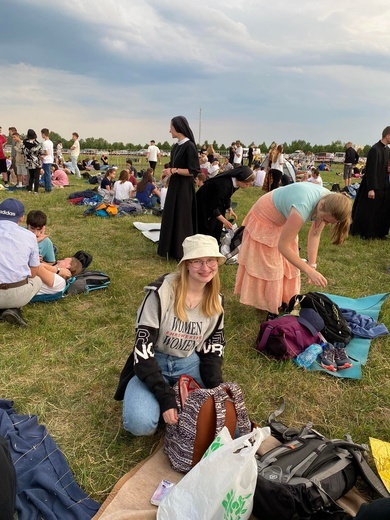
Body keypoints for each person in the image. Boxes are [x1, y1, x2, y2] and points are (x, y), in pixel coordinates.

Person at [114, 234, 226, 436]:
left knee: (218, 416)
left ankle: (176, 400)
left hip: (189, 363)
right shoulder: (160, 293)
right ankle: (163, 397)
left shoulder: (216, 301)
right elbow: (142, 350)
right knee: (140, 425)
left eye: (211, 260)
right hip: (153, 362)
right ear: (186, 265)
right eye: (197, 261)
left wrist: (215, 385)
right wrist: (165, 397)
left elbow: (212, 351)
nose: (205, 267)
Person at [234, 183, 352, 319]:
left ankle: (284, 300)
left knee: (289, 265)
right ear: (321, 205)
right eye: (325, 219)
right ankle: (270, 307)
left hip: (284, 218)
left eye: (330, 222)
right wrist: (308, 271)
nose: (324, 223)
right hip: (266, 216)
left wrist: (312, 265)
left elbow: (315, 235)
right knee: (272, 267)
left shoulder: (329, 202)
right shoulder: (302, 207)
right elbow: (283, 246)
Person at [157, 115, 200, 261]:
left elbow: (192, 170)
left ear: (178, 127)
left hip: (184, 188)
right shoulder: (176, 147)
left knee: (182, 217)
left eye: (171, 127)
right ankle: (170, 249)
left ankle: (181, 251)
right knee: (171, 215)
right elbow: (173, 166)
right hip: (175, 185)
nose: (169, 130)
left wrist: (173, 171)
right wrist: (166, 173)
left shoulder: (190, 146)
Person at [0, 198, 42, 326]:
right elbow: (33, 273)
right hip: (17, 294)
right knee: (38, 280)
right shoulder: (29, 236)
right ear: (21, 218)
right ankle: (11, 309)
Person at [196, 165, 255, 243]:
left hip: (215, 201)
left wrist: (229, 208)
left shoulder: (235, 184)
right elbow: (212, 207)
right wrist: (225, 221)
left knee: (218, 224)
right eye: (247, 184)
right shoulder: (223, 185)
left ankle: (215, 241)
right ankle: (206, 243)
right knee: (208, 225)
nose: (247, 186)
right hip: (204, 202)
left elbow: (227, 196)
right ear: (241, 180)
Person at [350, 126, 390, 239]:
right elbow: (371, 171)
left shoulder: (387, 150)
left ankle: (380, 232)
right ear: (388, 136)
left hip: (384, 186)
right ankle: (366, 233)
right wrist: (371, 188)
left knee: (381, 210)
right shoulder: (374, 150)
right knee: (370, 211)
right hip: (372, 186)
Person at [20, 129, 43, 194]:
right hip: (36, 162)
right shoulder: (37, 144)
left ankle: (29, 190)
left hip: (28, 162)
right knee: (37, 177)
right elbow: (41, 153)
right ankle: (36, 191)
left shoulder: (23, 144)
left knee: (31, 177)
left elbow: (22, 152)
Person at [41, 128, 54, 192]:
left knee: (47, 175)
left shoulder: (44, 143)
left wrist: (41, 154)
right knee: (48, 174)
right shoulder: (51, 142)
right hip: (50, 159)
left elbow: (46, 152)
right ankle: (48, 187)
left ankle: (48, 188)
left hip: (46, 160)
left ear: (43, 134)